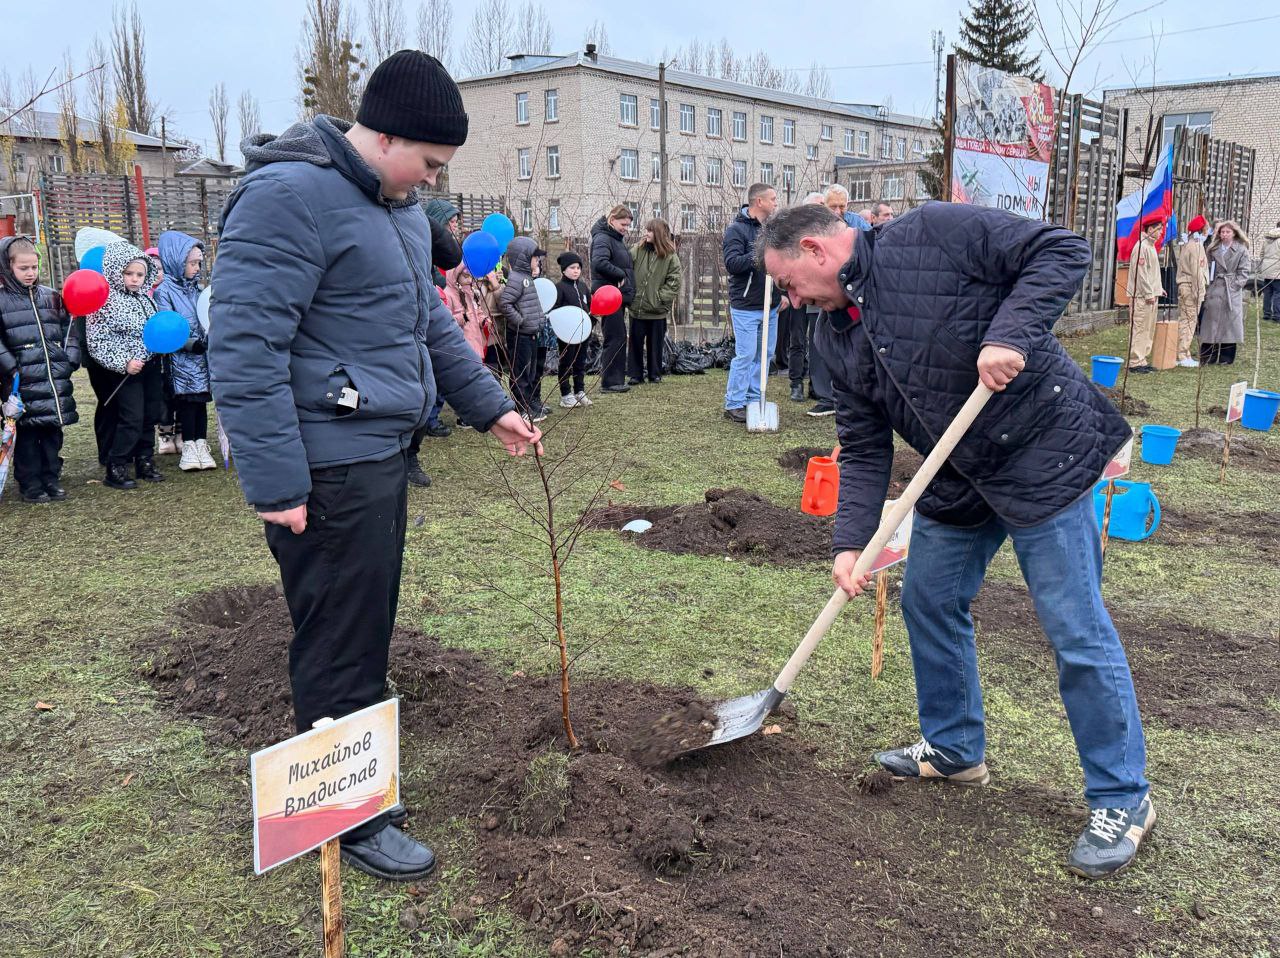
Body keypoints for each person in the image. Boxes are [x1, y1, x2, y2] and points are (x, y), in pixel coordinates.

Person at [209, 50, 540, 883]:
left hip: (382, 455)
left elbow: (429, 326)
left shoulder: (392, 210)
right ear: (383, 134)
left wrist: (490, 405)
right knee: (340, 638)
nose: (430, 185)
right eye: (427, 165)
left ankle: (353, 770)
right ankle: (350, 817)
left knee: (362, 626)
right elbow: (247, 351)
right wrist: (278, 484)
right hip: (326, 470)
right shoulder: (286, 199)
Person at [758, 202, 1151, 880]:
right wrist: (849, 543)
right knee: (929, 600)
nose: (789, 300)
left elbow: (1061, 250)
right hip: (956, 476)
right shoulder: (834, 337)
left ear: (818, 251)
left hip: (1041, 458)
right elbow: (861, 444)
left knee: (1074, 628)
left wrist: (1011, 333)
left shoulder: (931, 234)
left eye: (788, 284)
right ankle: (955, 749)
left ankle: (1123, 798)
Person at [0, 236, 80, 503]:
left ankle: (51, 477)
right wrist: (12, 368)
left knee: (52, 431)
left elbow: (70, 329)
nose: (30, 273)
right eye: (24, 268)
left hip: (52, 378)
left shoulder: (51, 296)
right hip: (20, 382)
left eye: (34, 267)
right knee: (27, 434)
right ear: (7, 267)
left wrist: (69, 359)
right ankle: (30, 483)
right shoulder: (1, 300)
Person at [86, 240, 165, 489]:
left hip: (150, 365)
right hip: (126, 371)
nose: (134, 279)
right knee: (131, 417)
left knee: (149, 415)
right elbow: (98, 341)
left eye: (140, 274)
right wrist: (124, 363)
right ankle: (116, 465)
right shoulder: (105, 301)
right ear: (115, 271)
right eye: (128, 273)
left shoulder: (146, 299)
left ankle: (145, 460)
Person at [404, 199, 465, 486]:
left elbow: (450, 257)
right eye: (451, 221)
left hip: (423, 326)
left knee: (422, 392)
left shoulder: (422, 235)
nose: (455, 225)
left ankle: (410, 457)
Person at [152, 230, 216, 471]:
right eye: (192, 263)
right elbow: (167, 326)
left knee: (201, 403)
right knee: (188, 404)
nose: (197, 267)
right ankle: (188, 445)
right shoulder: (164, 291)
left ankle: (201, 443)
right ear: (177, 262)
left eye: (199, 262)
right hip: (181, 361)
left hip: (202, 359)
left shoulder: (197, 290)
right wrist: (190, 344)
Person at [723, 183, 785, 423]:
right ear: (759, 202)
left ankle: (753, 398)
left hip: (770, 305)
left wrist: (782, 295)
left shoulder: (773, 229)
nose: (776, 203)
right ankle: (734, 403)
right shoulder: (736, 230)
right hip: (746, 306)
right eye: (773, 198)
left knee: (766, 354)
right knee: (746, 354)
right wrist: (760, 254)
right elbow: (733, 264)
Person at [787, 192, 836, 415]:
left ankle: (819, 388)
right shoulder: (794, 232)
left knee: (818, 343)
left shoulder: (828, 231)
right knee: (798, 339)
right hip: (798, 293)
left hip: (817, 297)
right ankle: (796, 383)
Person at [498, 237, 549, 422]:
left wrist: (540, 320)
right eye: (535, 257)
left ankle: (529, 403)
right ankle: (521, 408)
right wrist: (519, 321)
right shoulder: (517, 279)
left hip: (531, 333)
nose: (538, 261)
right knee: (521, 373)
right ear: (523, 258)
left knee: (531, 371)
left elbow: (533, 304)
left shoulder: (527, 278)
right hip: (520, 335)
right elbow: (505, 303)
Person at [628, 219, 681, 385]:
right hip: (637, 308)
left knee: (655, 344)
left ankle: (654, 374)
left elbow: (674, 281)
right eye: (646, 230)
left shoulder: (671, 256)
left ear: (658, 234)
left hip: (657, 311)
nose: (646, 233)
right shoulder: (637, 250)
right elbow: (627, 271)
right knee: (635, 343)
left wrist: (659, 299)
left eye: (650, 231)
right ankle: (635, 375)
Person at [590, 204, 635, 393]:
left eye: (628, 225)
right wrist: (620, 275)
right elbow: (599, 262)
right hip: (608, 296)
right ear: (612, 219)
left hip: (615, 296)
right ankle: (610, 382)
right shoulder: (603, 238)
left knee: (618, 336)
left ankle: (615, 379)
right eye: (623, 224)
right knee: (614, 337)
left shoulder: (614, 238)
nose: (626, 228)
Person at [1200, 221, 1250, 365]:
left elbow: (1244, 271)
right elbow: (1207, 266)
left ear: (1234, 233)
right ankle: (1208, 355)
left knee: (1229, 324)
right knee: (1210, 322)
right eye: (1222, 232)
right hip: (1215, 287)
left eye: (1227, 232)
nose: (1224, 235)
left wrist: (1235, 286)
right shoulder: (1213, 248)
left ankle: (1226, 357)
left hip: (1230, 290)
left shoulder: (1241, 250)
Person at [1125, 215, 1165, 373]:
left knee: (1147, 329)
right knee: (1140, 327)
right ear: (1149, 229)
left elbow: (1152, 273)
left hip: (1150, 295)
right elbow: (1141, 274)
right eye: (1158, 229)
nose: (1160, 232)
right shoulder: (1142, 247)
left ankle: (1142, 359)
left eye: (1161, 229)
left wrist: (1158, 288)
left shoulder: (1150, 246)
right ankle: (1135, 361)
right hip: (1142, 297)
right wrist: (1149, 293)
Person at [554, 250, 593, 408]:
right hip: (567, 334)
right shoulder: (559, 288)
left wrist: (592, 319)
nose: (576, 270)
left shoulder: (583, 287)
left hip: (583, 332)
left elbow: (590, 306)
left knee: (580, 362)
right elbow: (555, 310)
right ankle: (566, 395)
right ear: (564, 270)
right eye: (572, 267)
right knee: (566, 362)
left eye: (578, 267)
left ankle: (579, 391)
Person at [1174, 215, 1209, 369]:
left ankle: (1184, 352)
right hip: (1191, 287)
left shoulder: (1190, 243)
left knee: (1186, 320)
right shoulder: (1196, 246)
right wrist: (1199, 292)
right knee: (1189, 321)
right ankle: (1182, 354)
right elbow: (1197, 272)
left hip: (1186, 286)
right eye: (1206, 228)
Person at [1255, 220, 1280, 323]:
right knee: (1278, 293)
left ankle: (1266, 314)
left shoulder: (1267, 238)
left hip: (1267, 269)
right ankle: (1277, 315)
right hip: (1277, 268)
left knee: (1267, 292)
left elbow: (1261, 254)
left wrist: (1262, 267)